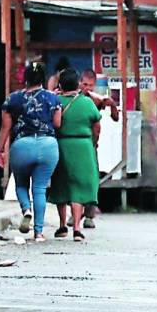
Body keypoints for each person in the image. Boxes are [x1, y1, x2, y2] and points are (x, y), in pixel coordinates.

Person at [0, 63, 61, 241]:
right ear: (42, 79)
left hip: (22, 146)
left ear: (25, 78)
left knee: (21, 184)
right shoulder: (53, 99)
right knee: (39, 188)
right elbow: (57, 123)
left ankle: (26, 210)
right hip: (48, 146)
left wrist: (0, 150)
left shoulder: (12, 99)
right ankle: (39, 233)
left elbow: (6, 126)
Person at [48, 68, 102, 242]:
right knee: (78, 186)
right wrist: (93, 142)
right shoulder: (86, 102)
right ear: (78, 84)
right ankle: (77, 228)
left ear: (60, 84)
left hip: (61, 145)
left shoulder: (55, 101)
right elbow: (97, 125)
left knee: (61, 184)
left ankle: (62, 225)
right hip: (83, 145)